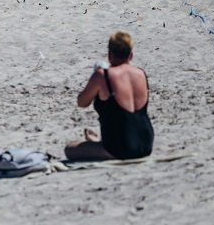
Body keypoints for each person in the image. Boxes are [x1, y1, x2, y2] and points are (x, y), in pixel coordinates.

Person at [65, 32, 153, 161]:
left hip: (121, 149)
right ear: (131, 55)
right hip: (146, 145)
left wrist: (95, 81)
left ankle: (100, 145)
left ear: (110, 54)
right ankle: (99, 143)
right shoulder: (141, 73)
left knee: (70, 148)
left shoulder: (103, 75)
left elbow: (82, 102)